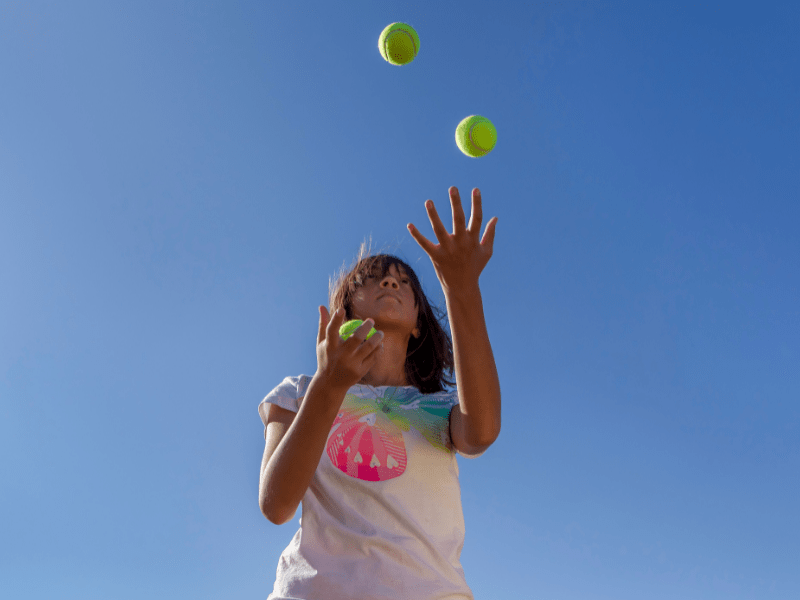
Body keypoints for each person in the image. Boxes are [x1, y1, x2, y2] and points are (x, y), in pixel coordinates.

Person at [258, 187, 501, 600]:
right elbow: (277, 504)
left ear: (419, 323)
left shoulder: (439, 409)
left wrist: (461, 289)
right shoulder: (300, 392)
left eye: (404, 282)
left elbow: (482, 432)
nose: (391, 280)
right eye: (372, 279)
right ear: (346, 310)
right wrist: (329, 384)